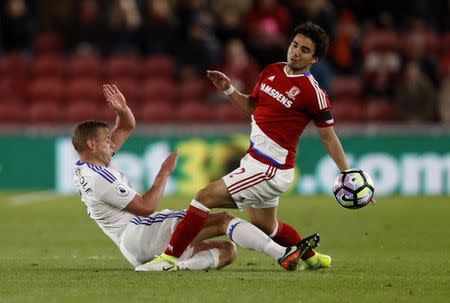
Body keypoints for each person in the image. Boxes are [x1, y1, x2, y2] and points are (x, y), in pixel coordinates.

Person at [143, 22, 364, 271]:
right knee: (266, 227)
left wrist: (347, 172)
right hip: (255, 162)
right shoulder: (272, 70)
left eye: (304, 50)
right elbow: (253, 107)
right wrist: (228, 89)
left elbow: (329, 137)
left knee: (204, 197)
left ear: (315, 58)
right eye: (294, 45)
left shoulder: (314, 93)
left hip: (271, 169)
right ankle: (312, 257)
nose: (295, 52)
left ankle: (169, 258)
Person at [73, 84, 317, 271]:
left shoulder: (89, 164)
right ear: (92, 144)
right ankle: (281, 254)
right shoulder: (98, 178)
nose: (111, 144)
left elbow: (125, 126)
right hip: (140, 232)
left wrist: (122, 109)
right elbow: (147, 208)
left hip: (137, 245)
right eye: (106, 140)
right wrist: (163, 173)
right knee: (222, 219)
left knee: (227, 250)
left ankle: (173, 266)